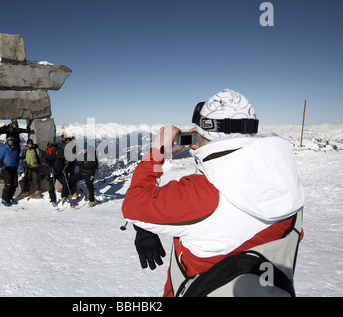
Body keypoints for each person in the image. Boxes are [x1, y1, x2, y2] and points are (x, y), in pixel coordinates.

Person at [121, 89, 305, 297]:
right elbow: (228, 182)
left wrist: (156, 154)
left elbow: (134, 204)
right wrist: (205, 150)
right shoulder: (286, 183)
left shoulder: (203, 195)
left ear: (205, 130)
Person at [69, 143, 99, 207]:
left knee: (90, 187)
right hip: (82, 172)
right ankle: (70, 193)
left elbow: (90, 165)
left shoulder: (91, 155)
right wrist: (82, 162)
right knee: (71, 180)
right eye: (83, 148)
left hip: (89, 174)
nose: (84, 149)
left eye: (85, 148)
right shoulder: (82, 154)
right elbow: (77, 161)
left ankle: (92, 201)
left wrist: (82, 163)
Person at [42, 142, 70, 207]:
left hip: (59, 172)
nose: (61, 157)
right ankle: (53, 200)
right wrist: (49, 164)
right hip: (52, 172)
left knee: (65, 184)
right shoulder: (52, 154)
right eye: (60, 156)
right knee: (52, 187)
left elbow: (64, 161)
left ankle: (63, 196)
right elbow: (44, 159)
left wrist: (65, 164)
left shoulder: (60, 153)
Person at [0, 137, 21, 207]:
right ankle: (4, 199)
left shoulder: (15, 150)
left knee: (14, 184)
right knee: (8, 184)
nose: (11, 142)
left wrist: (21, 162)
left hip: (14, 168)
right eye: (9, 141)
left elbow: (18, 158)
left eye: (12, 140)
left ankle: (10, 197)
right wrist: (1, 167)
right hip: (6, 168)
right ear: (7, 141)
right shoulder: (3, 149)